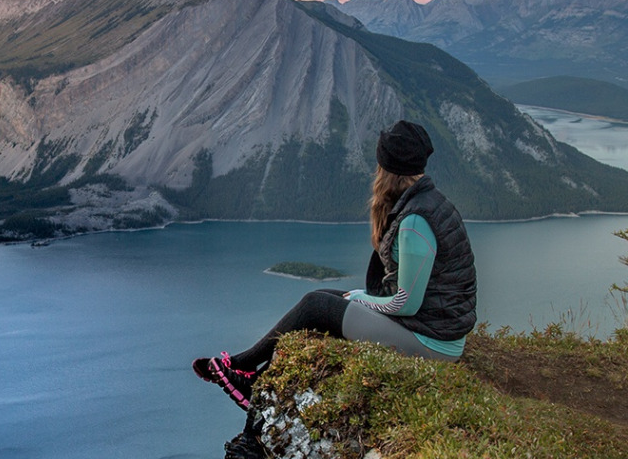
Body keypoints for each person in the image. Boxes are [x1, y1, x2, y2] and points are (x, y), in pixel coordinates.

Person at [193, 120, 476, 410]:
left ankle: (242, 368)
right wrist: (358, 298)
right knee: (327, 298)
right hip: (435, 332)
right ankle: (252, 377)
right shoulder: (429, 202)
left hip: (432, 345)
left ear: (385, 168)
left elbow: (407, 303)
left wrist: (361, 298)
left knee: (317, 305)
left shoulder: (415, 221)